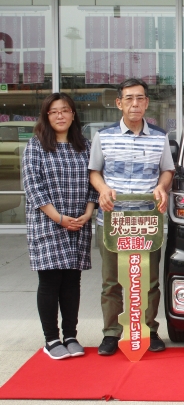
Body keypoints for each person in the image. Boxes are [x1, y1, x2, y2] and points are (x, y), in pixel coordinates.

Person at [89, 78, 175, 356]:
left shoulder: (160, 137)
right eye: (129, 98)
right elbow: (94, 172)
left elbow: (167, 170)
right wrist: (103, 189)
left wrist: (162, 186)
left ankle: (149, 330)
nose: (134, 104)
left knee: (148, 281)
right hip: (112, 221)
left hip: (147, 221)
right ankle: (111, 333)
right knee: (112, 281)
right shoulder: (104, 137)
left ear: (147, 103)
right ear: (119, 103)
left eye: (140, 98)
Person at [22, 92, 98, 360]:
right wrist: (59, 218)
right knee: (50, 280)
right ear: (46, 116)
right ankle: (51, 339)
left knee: (72, 281)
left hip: (78, 223)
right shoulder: (36, 146)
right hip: (48, 223)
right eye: (54, 112)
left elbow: (94, 181)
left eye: (65, 110)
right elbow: (33, 187)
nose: (60, 116)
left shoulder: (85, 146)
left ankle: (71, 336)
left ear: (73, 114)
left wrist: (87, 213)